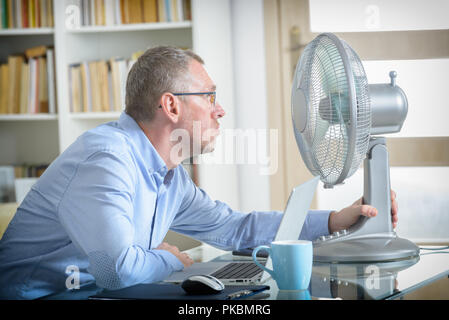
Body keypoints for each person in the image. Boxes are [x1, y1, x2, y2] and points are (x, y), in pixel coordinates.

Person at [0, 46, 398, 299]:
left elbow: (237, 229)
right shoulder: (107, 161)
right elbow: (116, 269)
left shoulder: (170, 176)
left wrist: (333, 220)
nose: (219, 110)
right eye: (209, 97)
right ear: (171, 107)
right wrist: (172, 260)